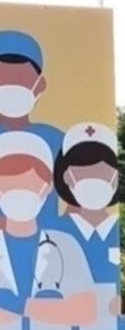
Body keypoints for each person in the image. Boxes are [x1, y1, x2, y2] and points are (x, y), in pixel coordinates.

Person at [0, 131, 96, 330]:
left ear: (47, 188)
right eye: (9, 184)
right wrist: (48, 309)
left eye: (30, 183)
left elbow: (85, 310)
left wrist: (19, 306)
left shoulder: (64, 246)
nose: (20, 192)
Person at [54, 122, 125, 330]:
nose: (94, 181)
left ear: (115, 179)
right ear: (68, 177)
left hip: (118, 326)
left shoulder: (123, 230)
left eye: (103, 174)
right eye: (83, 173)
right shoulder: (55, 232)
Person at [0, 30, 64, 229]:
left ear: (40, 85)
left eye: (20, 80)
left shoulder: (58, 141)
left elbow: (77, 204)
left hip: (49, 247)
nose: (10, 86)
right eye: (3, 80)